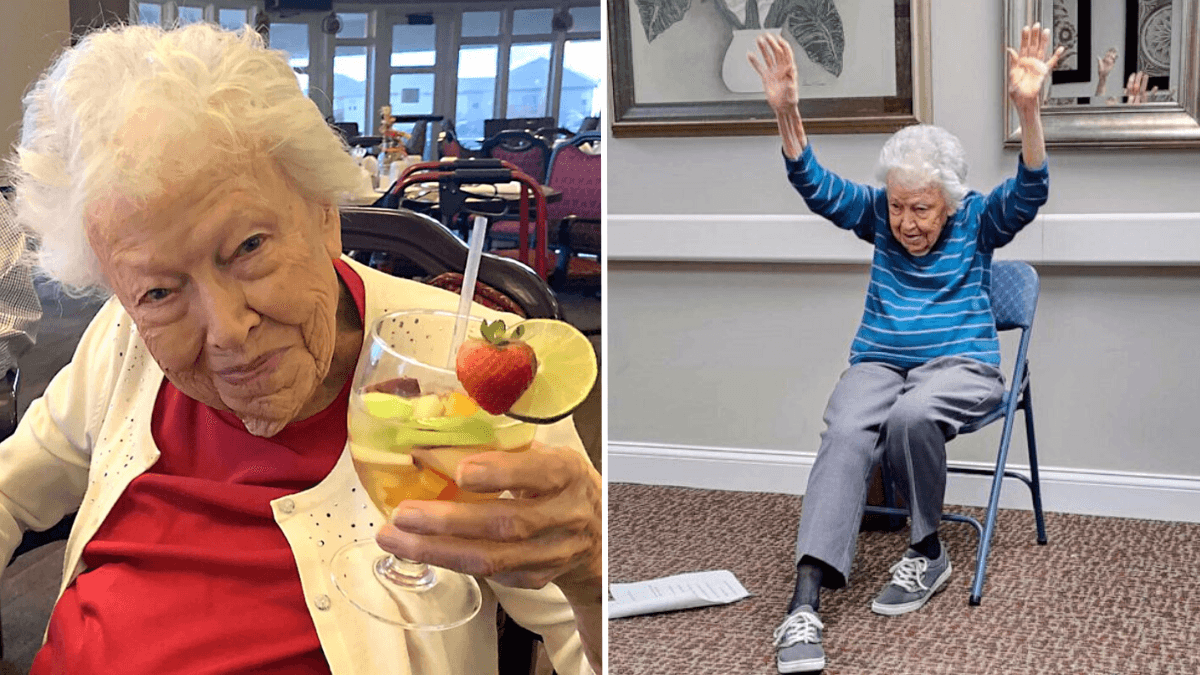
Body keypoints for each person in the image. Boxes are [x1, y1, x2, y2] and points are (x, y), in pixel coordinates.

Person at [2, 23, 600, 674]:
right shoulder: (123, 340)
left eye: (249, 247)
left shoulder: (458, 369)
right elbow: (11, 490)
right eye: (159, 291)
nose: (228, 329)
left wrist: (591, 570)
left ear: (323, 213)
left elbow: (592, 644)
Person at [748, 23, 1062, 675]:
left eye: (921, 208)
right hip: (881, 365)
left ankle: (927, 548)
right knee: (846, 433)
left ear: (948, 203)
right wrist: (788, 114)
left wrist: (1028, 110)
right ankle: (803, 600)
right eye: (897, 207)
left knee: (913, 415)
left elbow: (1030, 191)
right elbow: (818, 187)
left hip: (962, 369)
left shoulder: (978, 219)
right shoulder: (878, 218)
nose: (906, 222)